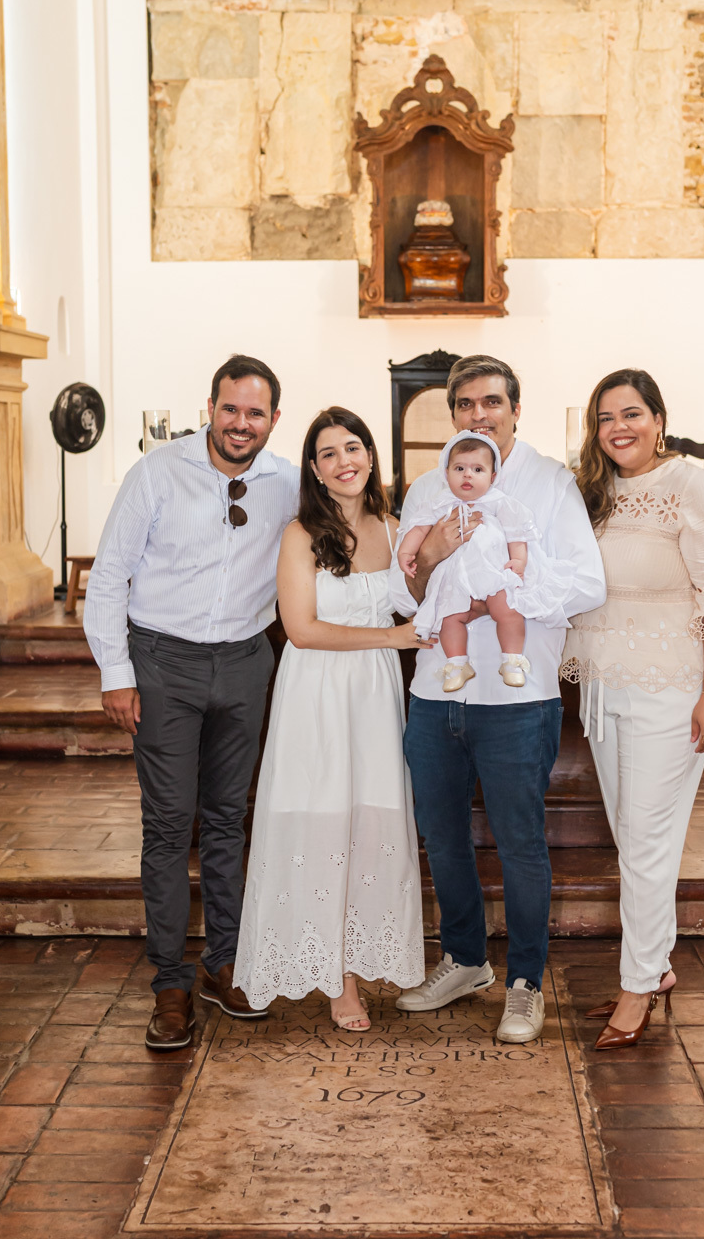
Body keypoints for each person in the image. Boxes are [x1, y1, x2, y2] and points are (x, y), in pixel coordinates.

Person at [84, 354, 299, 1050]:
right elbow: (109, 576)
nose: (241, 424)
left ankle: (224, 963)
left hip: (243, 663)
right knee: (171, 825)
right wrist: (117, 672)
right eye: (231, 409)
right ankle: (171, 982)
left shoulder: (287, 485)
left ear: (273, 419)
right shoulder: (157, 473)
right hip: (162, 664)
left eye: (255, 412)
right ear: (210, 407)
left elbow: (341, 544)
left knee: (229, 822)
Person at [390, 355, 605, 1043]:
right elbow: (402, 590)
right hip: (434, 692)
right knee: (444, 840)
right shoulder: (430, 484)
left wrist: (496, 600)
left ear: (516, 409)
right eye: (464, 405)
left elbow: (585, 583)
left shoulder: (547, 484)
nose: (477, 414)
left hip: (518, 698)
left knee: (519, 844)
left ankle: (524, 982)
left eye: (491, 402)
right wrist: (436, 557)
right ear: (450, 413)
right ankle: (462, 961)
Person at [561, 368, 704, 1050]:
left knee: (643, 846)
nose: (619, 428)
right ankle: (655, 965)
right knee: (636, 839)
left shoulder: (688, 485)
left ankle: (635, 987)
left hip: (668, 691)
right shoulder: (600, 493)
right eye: (606, 417)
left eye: (631, 413)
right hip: (606, 691)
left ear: (658, 419)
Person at [233, 407, 428, 1029]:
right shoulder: (300, 534)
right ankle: (335, 980)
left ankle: (361, 961)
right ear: (314, 471)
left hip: (373, 695)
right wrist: (395, 641)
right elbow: (302, 630)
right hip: (317, 691)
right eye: (329, 453)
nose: (345, 461)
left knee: (367, 821)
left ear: (370, 455)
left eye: (354, 447)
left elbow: (418, 603)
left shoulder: (396, 530)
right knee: (321, 817)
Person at [398, 432, 550, 692]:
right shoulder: (441, 502)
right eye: (460, 468)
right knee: (450, 617)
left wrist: (519, 561)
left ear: (492, 477)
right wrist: (406, 552)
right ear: (447, 474)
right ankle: (457, 664)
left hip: (491, 571)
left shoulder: (498, 502)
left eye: (477, 469)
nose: (467, 475)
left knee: (508, 612)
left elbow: (517, 533)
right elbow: (419, 527)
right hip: (455, 575)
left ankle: (512, 660)